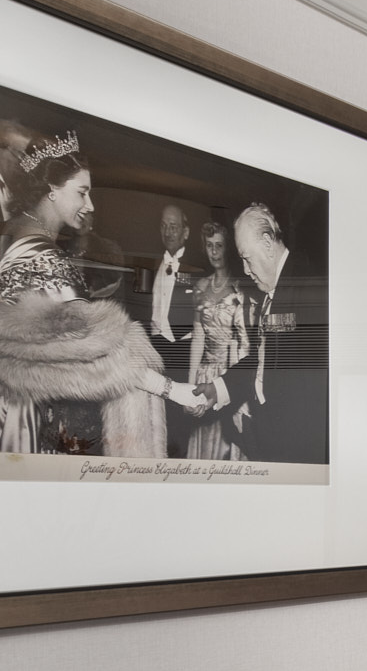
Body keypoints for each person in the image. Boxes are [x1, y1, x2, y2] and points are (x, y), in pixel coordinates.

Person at [0, 129, 204, 457]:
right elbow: (100, 354)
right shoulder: (44, 257)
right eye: (82, 192)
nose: (89, 204)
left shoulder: (13, 235)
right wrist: (173, 390)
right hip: (30, 420)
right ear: (52, 188)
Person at [183, 219, 255, 460]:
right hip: (205, 373)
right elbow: (198, 338)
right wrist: (188, 387)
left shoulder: (239, 290)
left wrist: (241, 399)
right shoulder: (200, 287)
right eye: (209, 245)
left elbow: (243, 345)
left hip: (229, 372)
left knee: (227, 446)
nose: (214, 252)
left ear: (229, 249)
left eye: (219, 246)